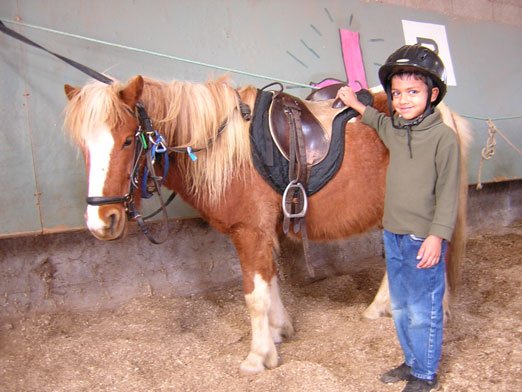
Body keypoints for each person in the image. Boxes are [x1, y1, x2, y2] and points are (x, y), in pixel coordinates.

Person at [336, 44, 460, 392]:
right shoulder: (396, 128)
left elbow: (449, 193)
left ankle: (426, 374)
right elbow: (375, 118)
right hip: (393, 235)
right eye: (397, 93)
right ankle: (412, 361)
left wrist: (437, 236)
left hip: (424, 239)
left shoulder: (443, 139)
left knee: (425, 309)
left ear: (432, 94)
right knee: (403, 306)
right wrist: (355, 102)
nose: (403, 100)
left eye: (413, 92)